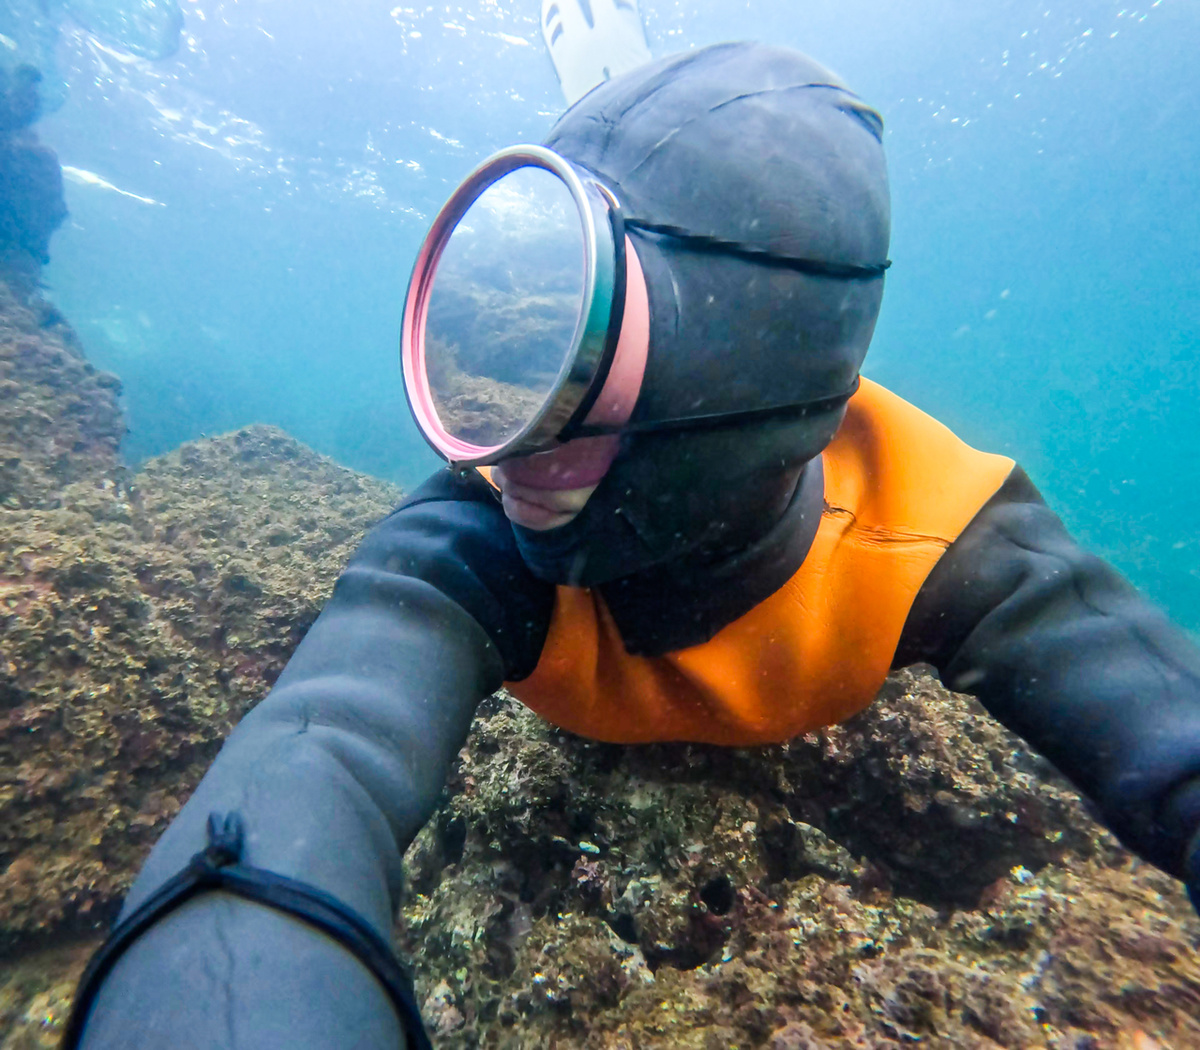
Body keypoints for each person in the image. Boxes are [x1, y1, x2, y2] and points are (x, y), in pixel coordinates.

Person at [64, 42, 1200, 1050]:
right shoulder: (479, 527)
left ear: (744, 386)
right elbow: (321, 747)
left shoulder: (943, 529)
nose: (504, 448)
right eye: (507, 358)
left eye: (577, 364)